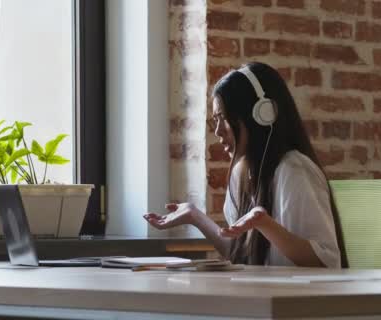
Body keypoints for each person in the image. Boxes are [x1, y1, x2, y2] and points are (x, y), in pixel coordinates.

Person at [144, 62, 341, 268]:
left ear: (262, 115)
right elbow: (239, 254)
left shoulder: (294, 170)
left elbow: (326, 262)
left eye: (223, 118)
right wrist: (195, 216)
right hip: (263, 294)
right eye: (215, 120)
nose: (218, 131)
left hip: (297, 298)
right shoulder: (243, 173)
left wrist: (265, 224)